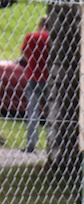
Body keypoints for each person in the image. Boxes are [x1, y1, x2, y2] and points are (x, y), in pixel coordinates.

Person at [20, 16, 49, 154]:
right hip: (48, 79)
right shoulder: (51, 40)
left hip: (32, 77)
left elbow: (23, 55)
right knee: (51, 112)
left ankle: (31, 144)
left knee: (33, 112)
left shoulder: (30, 37)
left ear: (40, 25)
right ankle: (53, 144)